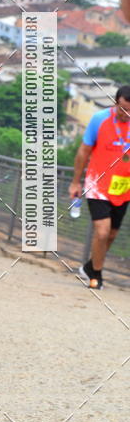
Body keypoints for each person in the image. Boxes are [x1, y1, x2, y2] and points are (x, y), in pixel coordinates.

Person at [69, 85, 130, 288]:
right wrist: (75, 182)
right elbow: (83, 152)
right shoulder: (100, 119)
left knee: (111, 234)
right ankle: (97, 275)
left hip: (123, 187)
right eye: (123, 109)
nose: (126, 114)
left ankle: (90, 268)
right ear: (115, 103)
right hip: (97, 184)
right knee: (102, 232)